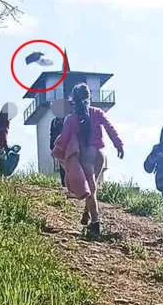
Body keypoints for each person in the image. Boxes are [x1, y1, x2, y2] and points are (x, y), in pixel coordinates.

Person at [53, 83, 124, 239]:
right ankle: (87, 213)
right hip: (99, 155)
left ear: (73, 100)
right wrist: (118, 144)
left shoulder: (70, 119)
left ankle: (96, 222)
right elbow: (110, 128)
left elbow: (64, 139)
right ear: (89, 97)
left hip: (85, 155)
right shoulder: (97, 112)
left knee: (90, 190)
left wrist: (58, 152)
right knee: (92, 187)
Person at [50, 114, 66, 187]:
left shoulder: (68, 118)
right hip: (59, 147)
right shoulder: (54, 122)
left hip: (68, 146)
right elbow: (52, 134)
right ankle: (64, 185)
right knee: (62, 167)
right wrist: (52, 146)